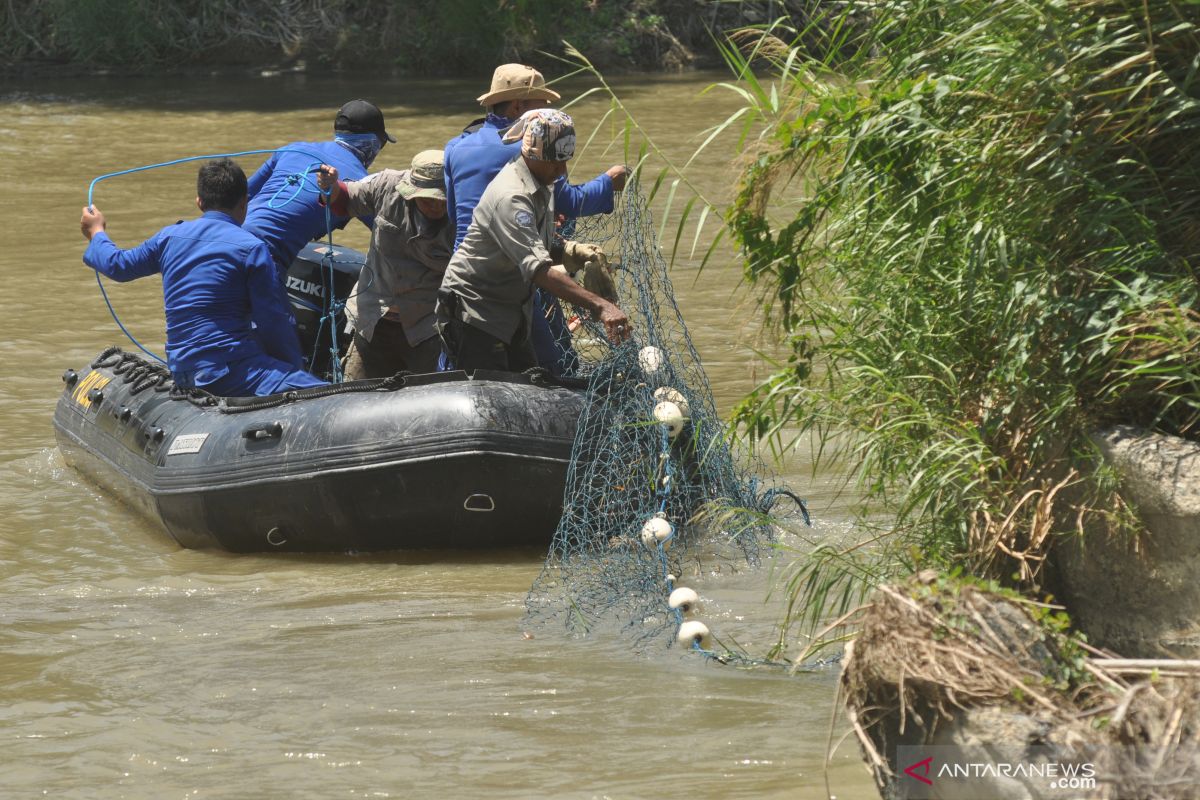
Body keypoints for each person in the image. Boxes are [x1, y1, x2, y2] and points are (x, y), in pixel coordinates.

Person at [79, 159, 327, 397]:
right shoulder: (252, 248)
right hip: (230, 372)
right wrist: (292, 369)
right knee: (324, 393)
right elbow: (273, 321)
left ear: (199, 202)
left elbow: (119, 265)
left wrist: (97, 232)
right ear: (244, 202)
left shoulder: (168, 238)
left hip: (183, 371)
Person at [443, 64, 629, 374]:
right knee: (523, 372)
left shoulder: (458, 147)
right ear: (518, 106)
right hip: (484, 292)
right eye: (540, 102)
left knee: (530, 373)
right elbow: (568, 206)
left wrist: (565, 249)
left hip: (509, 280)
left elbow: (454, 217)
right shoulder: (526, 161)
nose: (560, 171)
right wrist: (608, 184)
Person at [315, 150, 453, 377]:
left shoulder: (464, 208)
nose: (435, 206)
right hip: (374, 319)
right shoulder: (387, 185)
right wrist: (330, 185)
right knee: (356, 396)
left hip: (428, 326)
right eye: (427, 199)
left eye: (441, 199)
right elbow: (345, 199)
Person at [243, 99, 394, 276]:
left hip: (224, 236)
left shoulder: (293, 149)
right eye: (382, 143)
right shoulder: (362, 183)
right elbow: (389, 238)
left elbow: (241, 196)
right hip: (264, 255)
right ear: (373, 143)